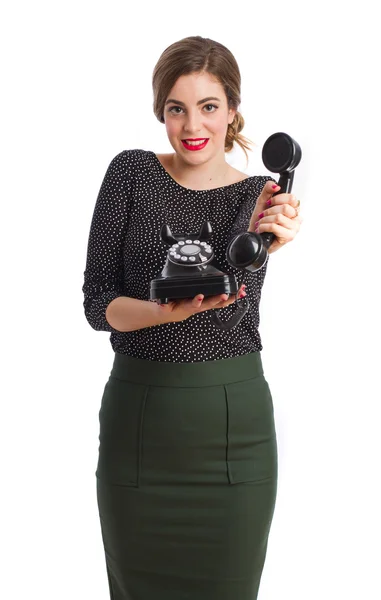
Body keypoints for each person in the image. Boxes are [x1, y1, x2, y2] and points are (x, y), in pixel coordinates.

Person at [82, 35, 302, 600]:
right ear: (161, 111)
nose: (191, 124)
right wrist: (161, 313)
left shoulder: (257, 196)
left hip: (232, 430)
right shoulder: (131, 173)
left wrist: (267, 240)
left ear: (232, 111)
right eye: (176, 107)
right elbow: (97, 303)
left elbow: (235, 306)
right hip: (141, 424)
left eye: (208, 106)